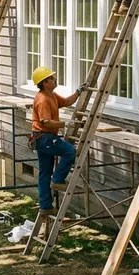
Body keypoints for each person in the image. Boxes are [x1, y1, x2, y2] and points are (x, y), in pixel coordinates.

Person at [29, 67, 88, 216]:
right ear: (44, 82)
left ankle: (46, 207)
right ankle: (58, 179)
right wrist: (66, 124)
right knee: (70, 151)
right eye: (52, 78)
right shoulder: (43, 99)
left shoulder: (52, 95)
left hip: (42, 138)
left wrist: (78, 92)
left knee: (44, 172)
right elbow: (46, 122)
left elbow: (67, 101)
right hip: (45, 137)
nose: (55, 79)